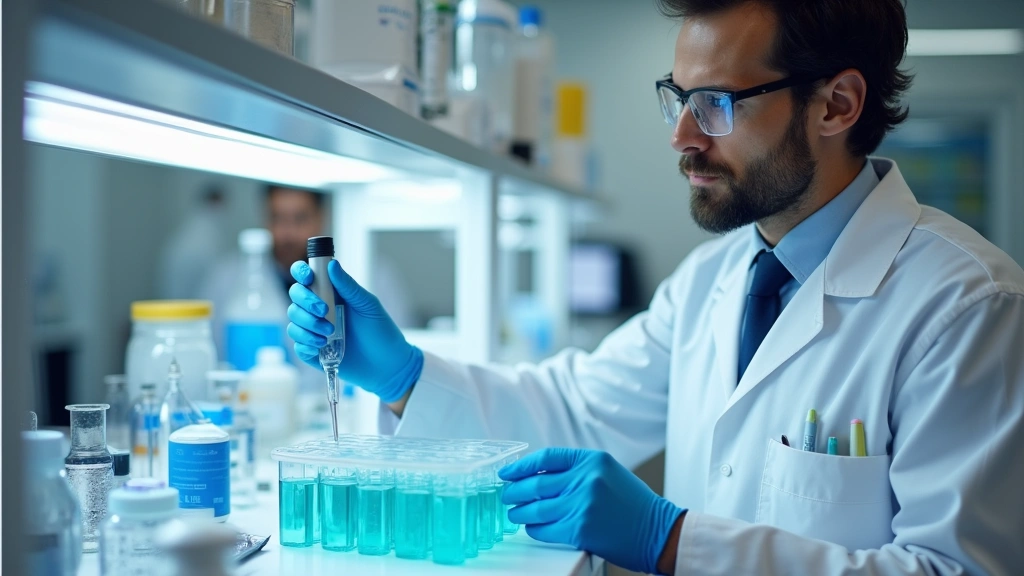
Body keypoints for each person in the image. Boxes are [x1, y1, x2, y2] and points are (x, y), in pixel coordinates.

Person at [286, 1, 1024, 574]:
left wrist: (673, 541)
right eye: (680, 96)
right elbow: (575, 409)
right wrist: (406, 376)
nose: (683, 137)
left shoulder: (967, 306)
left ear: (836, 105)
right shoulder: (711, 279)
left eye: (719, 105)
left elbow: (950, 567)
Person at [202, 184, 412, 391]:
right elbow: (214, 357)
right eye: (277, 218)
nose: (287, 233)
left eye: (300, 218)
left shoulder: (372, 272)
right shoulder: (226, 277)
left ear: (322, 216)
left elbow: (399, 346)